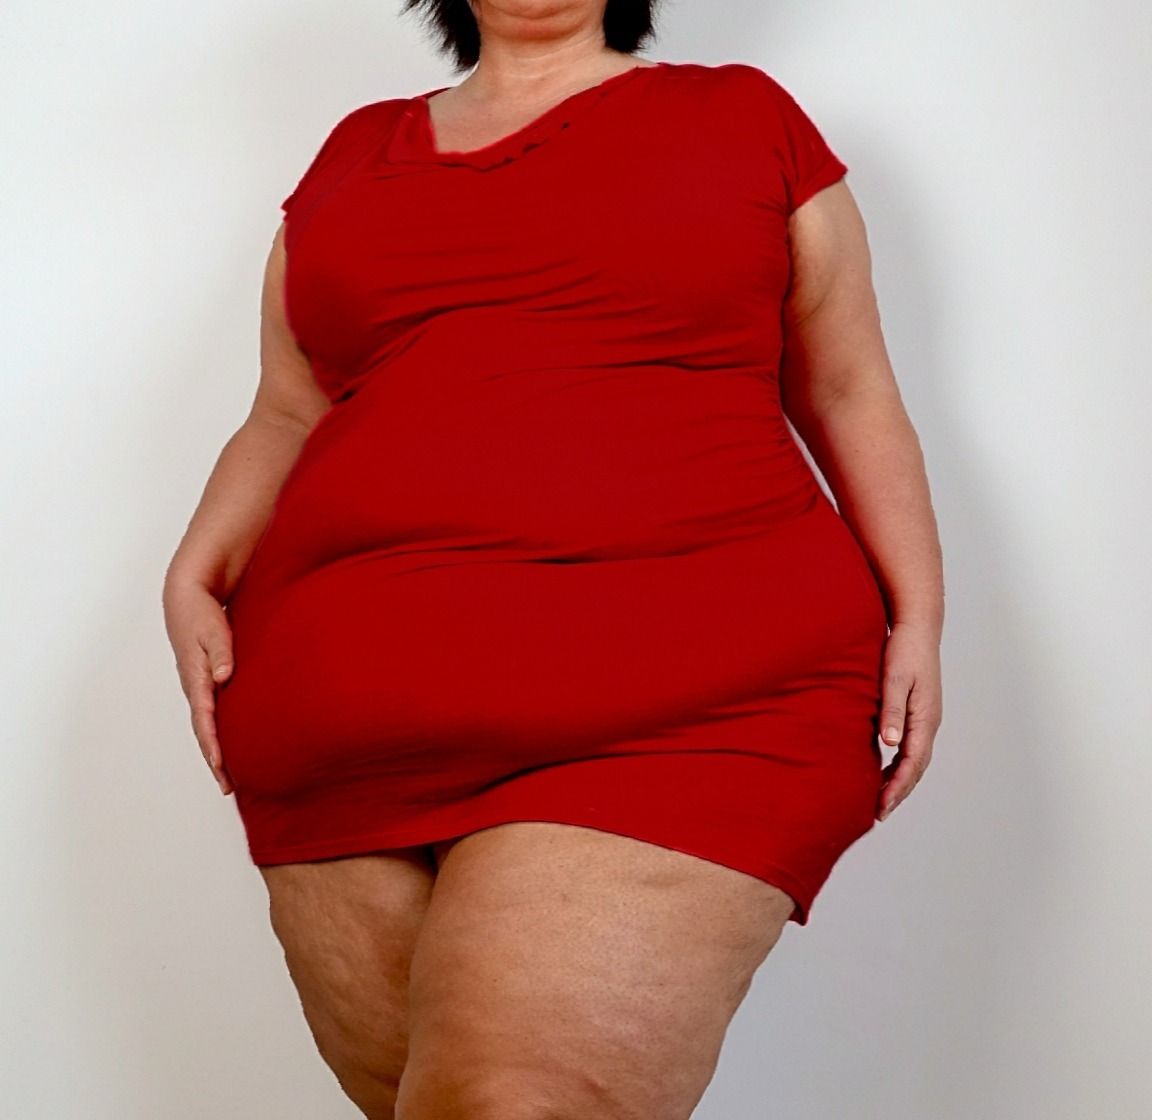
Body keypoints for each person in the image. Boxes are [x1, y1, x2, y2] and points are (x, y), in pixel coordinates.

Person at [162, 1, 944, 1116]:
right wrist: (193, 566)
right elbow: (289, 409)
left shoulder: (741, 117)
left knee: (517, 1100)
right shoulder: (352, 152)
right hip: (335, 742)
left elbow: (849, 384)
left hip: (683, 713)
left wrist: (921, 612)